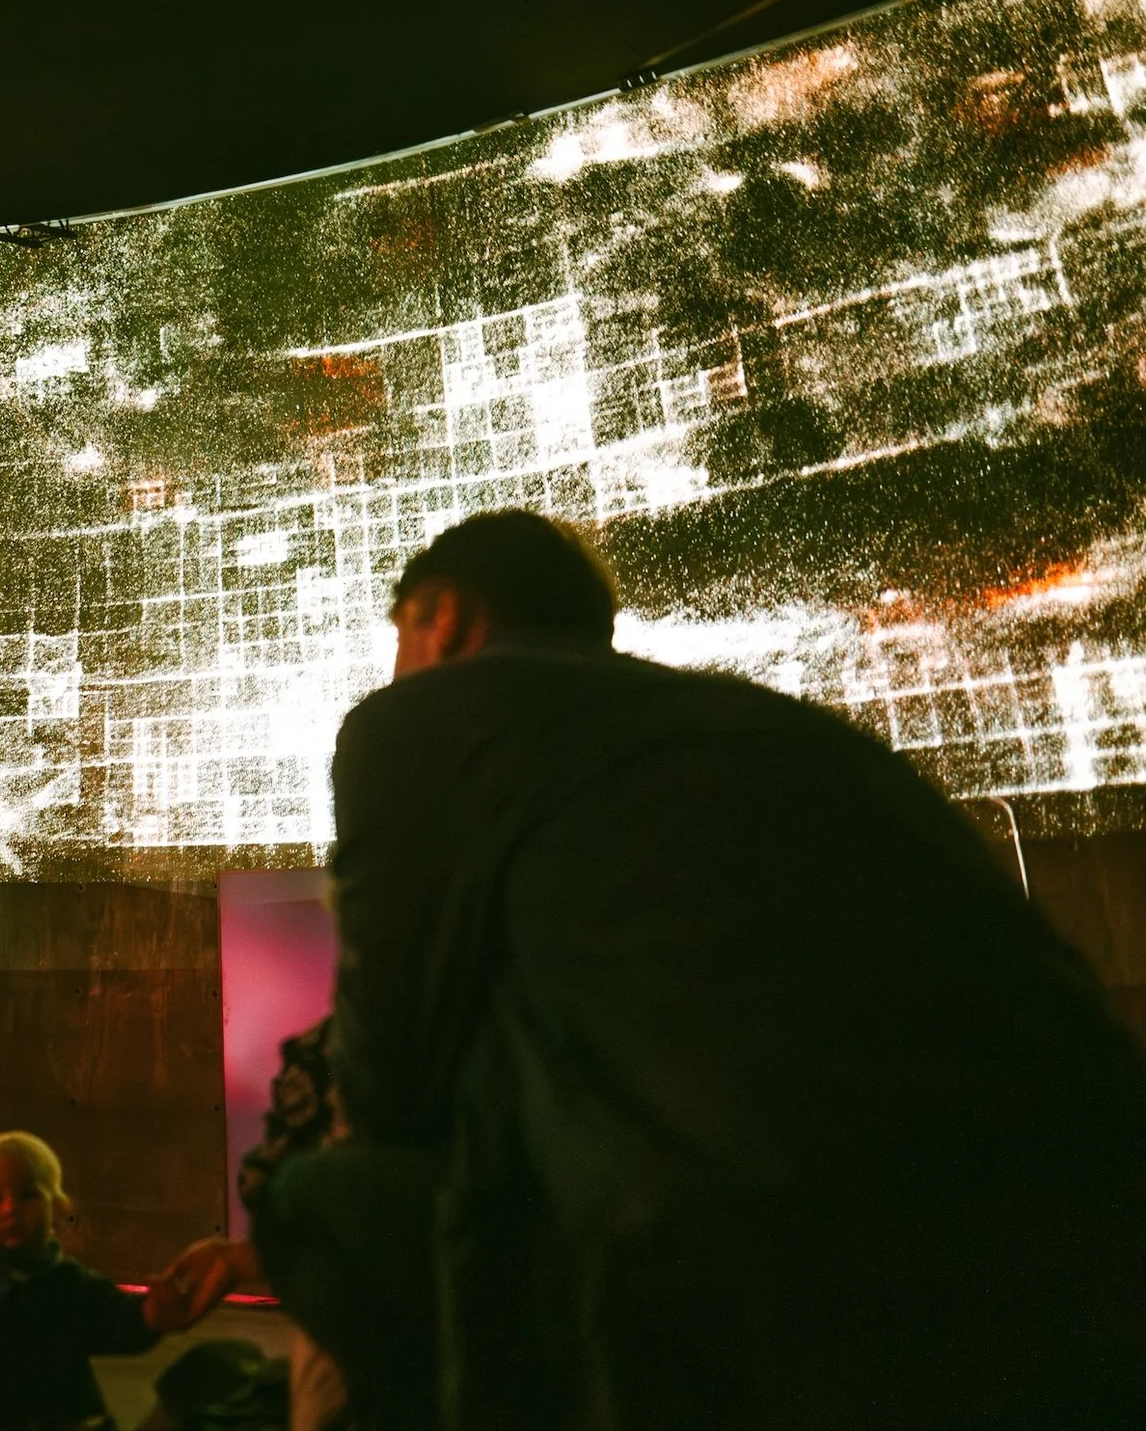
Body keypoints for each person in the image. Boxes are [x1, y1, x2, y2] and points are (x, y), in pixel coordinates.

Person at [148, 510, 1146, 1429]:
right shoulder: (775, 725)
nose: (403, 664)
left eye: (402, 636)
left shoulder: (424, 719)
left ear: (443, 616)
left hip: (759, 1265)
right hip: (1089, 1230)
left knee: (309, 1204)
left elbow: (392, 1076)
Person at [0, 1131, 172, 1431]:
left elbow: (117, 1319)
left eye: (28, 1195)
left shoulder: (69, 1283)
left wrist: (149, 1315)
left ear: (58, 1210)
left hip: (59, 1422)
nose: (10, 1208)